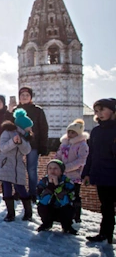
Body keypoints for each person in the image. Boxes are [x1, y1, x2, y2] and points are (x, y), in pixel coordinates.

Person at [82, 98, 116, 244]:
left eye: (102, 110)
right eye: (96, 111)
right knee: (106, 207)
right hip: (102, 174)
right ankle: (105, 234)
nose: (99, 113)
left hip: (114, 172)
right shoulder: (96, 131)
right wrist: (87, 172)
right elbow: (91, 154)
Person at [0, 109, 33, 222]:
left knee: (21, 188)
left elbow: (27, 150)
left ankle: (28, 212)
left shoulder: (25, 136)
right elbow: (2, 148)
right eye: (29, 127)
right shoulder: (7, 132)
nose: (30, 129)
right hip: (6, 164)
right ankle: (10, 213)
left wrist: (20, 142)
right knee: (7, 188)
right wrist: (13, 142)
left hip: (18, 166)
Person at [13, 86, 49, 201]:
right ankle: (18, 191)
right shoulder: (15, 110)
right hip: (17, 144)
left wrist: (43, 145)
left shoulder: (38, 110)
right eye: (22, 95)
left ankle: (33, 192)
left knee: (31, 169)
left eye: (27, 95)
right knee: (17, 168)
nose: (24, 97)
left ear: (31, 97)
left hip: (33, 144)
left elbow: (43, 128)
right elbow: (8, 125)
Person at [55, 118, 88, 223]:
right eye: (69, 131)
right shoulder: (64, 144)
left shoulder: (82, 145)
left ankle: (76, 216)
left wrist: (66, 167)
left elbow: (81, 160)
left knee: (74, 196)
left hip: (75, 175)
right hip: (63, 175)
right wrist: (56, 165)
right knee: (62, 194)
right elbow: (58, 155)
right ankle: (63, 214)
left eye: (73, 132)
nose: (70, 134)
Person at [36, 159, 77, 234]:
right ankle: (46, 224)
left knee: (69, 208)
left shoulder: (68, 182)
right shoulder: (43, 182)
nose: (52, 171)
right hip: (50, 209)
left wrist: (57, 187)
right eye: (50, 168)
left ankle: (67, 226)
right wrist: (50, 187)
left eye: (55, 168)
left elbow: (66, 201)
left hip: (62, 210)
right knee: (41, 206)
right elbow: (41, 200)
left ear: (61, 171)